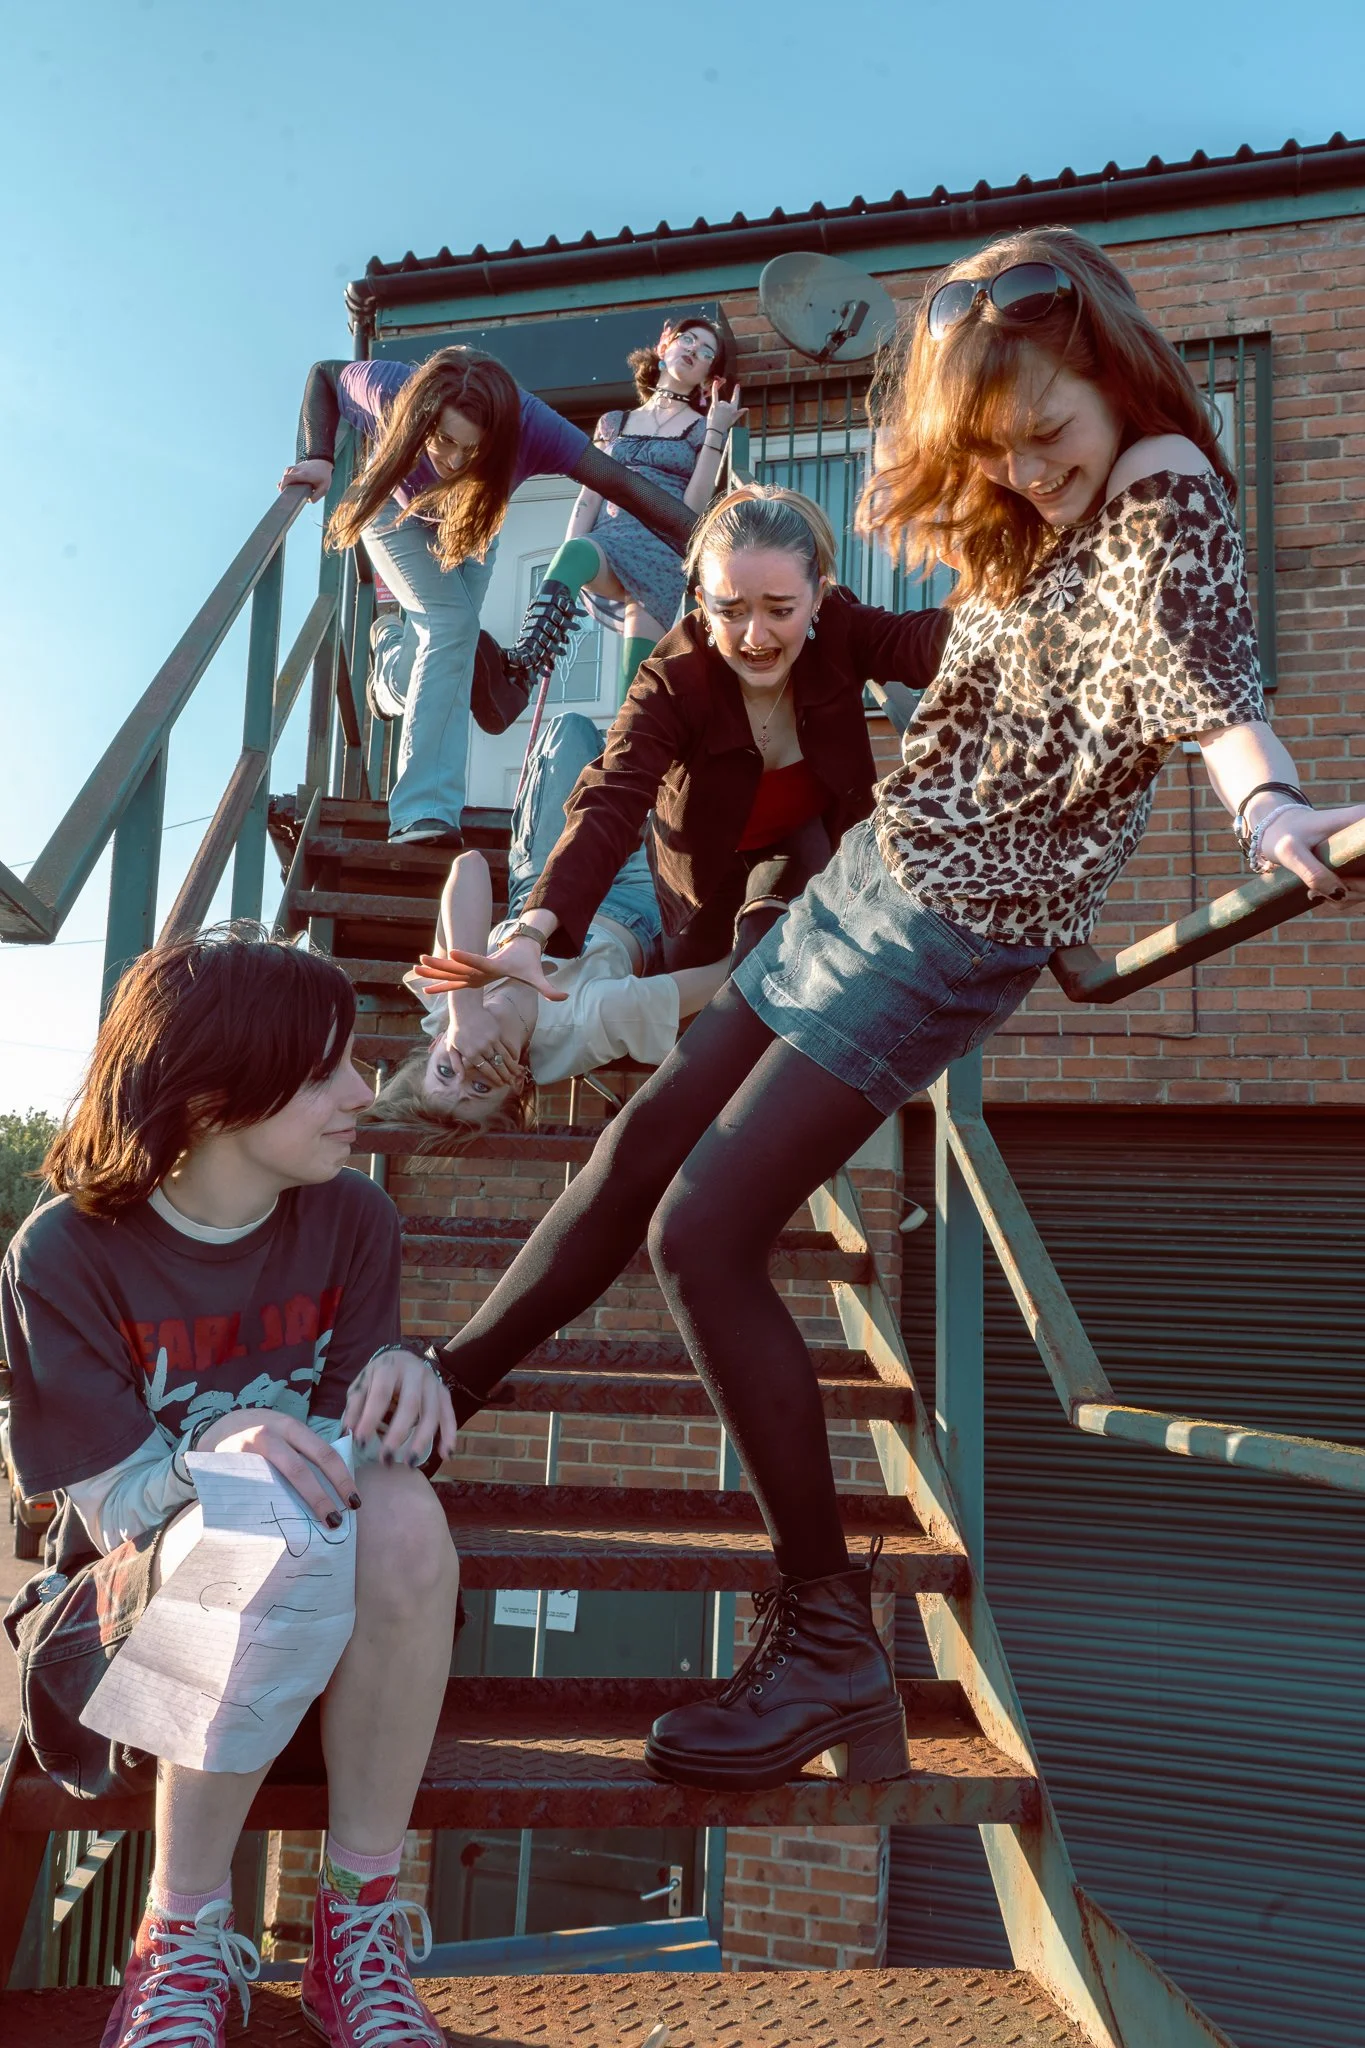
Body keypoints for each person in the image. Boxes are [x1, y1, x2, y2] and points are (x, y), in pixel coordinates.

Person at [394, 227, 1365, 1793]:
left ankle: (830, 1645)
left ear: (1110, 369)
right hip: (873, 875)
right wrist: (535, 928)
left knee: (703, 1231)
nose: (1029, 471)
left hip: (953, 925)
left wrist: (1269, 811)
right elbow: (655, 787)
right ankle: (448, 1386)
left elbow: (1207, 684)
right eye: (999, 450)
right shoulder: (1028, 514)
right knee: (645, 1140)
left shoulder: (1164, 483)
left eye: (1044, 433)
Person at [2, 928, 460, 2048]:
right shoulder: (64, 1252)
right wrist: (222, 1446)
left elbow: (346, 1468)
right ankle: (180, 1932)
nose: (365, 1092)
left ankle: (355, 1929)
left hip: (320, 1649)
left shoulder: (354, 1216)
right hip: (120, 1650)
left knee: (402, 1509)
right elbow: (113, 1511)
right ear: (212, 1095)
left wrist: (402, 1383)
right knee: (264, 1510)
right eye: (324, 1071)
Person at [423, 485, 950, 993]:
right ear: (701, 600)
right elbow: (611, 796)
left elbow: (929, 641)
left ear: (818, 597)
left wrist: (996, 595)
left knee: (770, 955)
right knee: (698, 1003)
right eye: (731, 610)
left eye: (780, 610)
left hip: (802, 845)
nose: (756, 636)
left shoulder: (841, 629)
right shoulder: (672, 680)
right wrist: (531, 933)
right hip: (698, 871)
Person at [280, 346, 699, 849]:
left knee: (446, 646)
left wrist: (714, 540)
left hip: (471, 527)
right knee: (452, 627)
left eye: (472, 449)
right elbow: (324, 375)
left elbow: (623, 484)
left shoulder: (532, 426)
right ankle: (423, 811)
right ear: (422, 417)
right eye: (443, 440)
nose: (454, 461)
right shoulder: (390, 388)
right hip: (393, 513)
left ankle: (389, 667)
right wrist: (316, 456)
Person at [371, 712, 729, 1138]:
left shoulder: (442, 1007)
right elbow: (720, 977)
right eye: (480, 1087)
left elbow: (470, 867)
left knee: (568, 731)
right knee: (690, 770)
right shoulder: (579, 1027)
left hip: (541, 888)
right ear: (519, 1082)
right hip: (639, 900)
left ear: (434, 1047)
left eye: (445, 1071)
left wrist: (465, 1010)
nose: (467, 1064)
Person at [503, 315, 744, 705]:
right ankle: (524, 664)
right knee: (575, 551)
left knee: (633, 687)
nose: (693, 351)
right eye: (687, 339)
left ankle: (626, 744)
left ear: (707, 376)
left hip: (659, 556)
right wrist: (567, 567)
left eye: (706, 352)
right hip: (610, 542)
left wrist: (717, 429)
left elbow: (692, 510)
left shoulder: (702, 429)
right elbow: (589, 496)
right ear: (665, 346)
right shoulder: (613, 422)